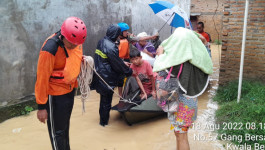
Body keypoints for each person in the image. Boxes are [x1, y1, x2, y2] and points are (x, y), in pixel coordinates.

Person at [154, 27, 213, 150]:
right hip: (191, 102)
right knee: (180, 133)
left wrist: (160, 55)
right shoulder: (199, 59)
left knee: (181, 135)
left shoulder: (174, 60)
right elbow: (207, 58)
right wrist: (203, 42)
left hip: (177, 102)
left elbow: (161, 73)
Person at [35, 17, 87, 150]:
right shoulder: (50, 49)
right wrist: (41, 107)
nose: (74, 47)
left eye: (77, 45)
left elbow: (73, 57)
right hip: (55, 95)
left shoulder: (76, 41)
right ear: (63, 36)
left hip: (69, 90)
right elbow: (41, 78)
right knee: (57, 133)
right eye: (71, 44)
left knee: (64, 128)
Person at [91, 24, 133, 127]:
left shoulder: (101, 41)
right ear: (115, 34)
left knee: (103, 101)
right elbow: (117, 65)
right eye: (118, 34)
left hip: (99, 76)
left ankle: (102, 122)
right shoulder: (111, 47)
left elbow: (108, 60)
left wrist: (122, 63)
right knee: (106, 102)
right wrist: (129, 72)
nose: (119, 37)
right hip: (107, 79)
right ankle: (104, 124)